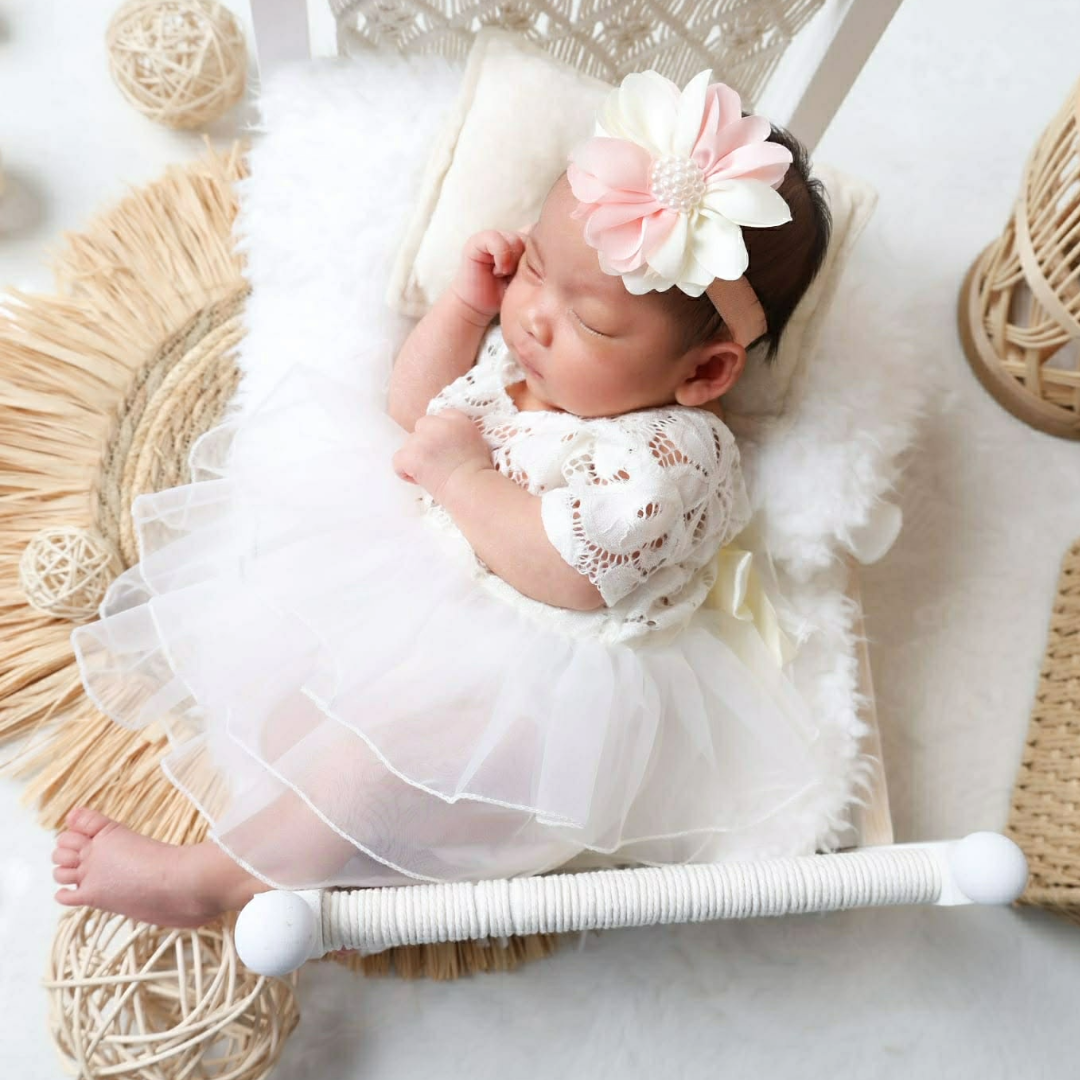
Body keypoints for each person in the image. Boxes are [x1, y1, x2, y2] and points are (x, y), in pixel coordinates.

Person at [52, 70, 833, 930]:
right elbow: (415, 412)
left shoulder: (672, 455)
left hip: (538, 694)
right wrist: (464, 310)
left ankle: (218, 881)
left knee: (373, 760)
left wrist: (464, 480)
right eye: (537, 268)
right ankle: (324, 841)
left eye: (593, 322)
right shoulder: (522, 357)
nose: (535, 318)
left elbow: (572, 574)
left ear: (704, 372)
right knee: (297, 661)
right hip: (426, 605)